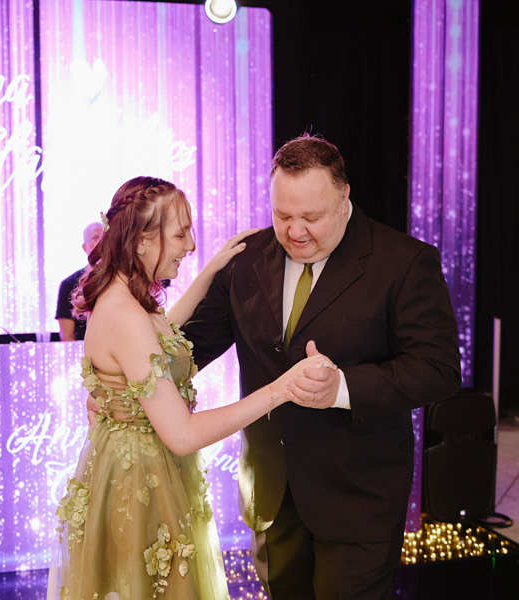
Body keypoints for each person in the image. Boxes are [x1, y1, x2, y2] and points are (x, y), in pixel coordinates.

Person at [183, 134, 462, 600]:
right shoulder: (246, 259)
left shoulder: (404, 262)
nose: (295, 232)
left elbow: (437, 368)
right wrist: (127, 385)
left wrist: (342, 388)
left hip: (359, 496)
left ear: (344, 196)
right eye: (282, 215)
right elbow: (190, 348)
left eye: (311, 217)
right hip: (271, 493)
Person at [47, 176, 335, 600]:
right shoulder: (124, 313)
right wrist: (280, 389)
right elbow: (182, 435)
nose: (190, 245)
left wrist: (210, 272)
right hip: (140, 485)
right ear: (143, 240)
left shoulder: (128, 300)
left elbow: (162, 336)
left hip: (142, 471)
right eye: (181, 234)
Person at [55, 222, 104, 341]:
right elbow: (67, 335)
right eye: (96, 238)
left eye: (105, 238)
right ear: (84, 247)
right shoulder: (69, 285)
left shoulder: (121, 278)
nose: (101, 243)